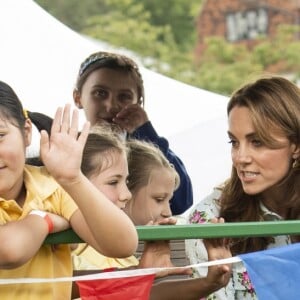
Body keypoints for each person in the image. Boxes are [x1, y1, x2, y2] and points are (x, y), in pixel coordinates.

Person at [0, 81, 138, 300]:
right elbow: (9, 250)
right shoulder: (51, 202)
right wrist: (44, 220)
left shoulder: (52, 186)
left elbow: (123, 244)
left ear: (26, 132)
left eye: (0, 136)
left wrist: (72, 179)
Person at [71, 129, 231, 299]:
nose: (126, 194)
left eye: (125, 182)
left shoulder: (124, 259)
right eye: (113, 182)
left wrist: (209, 283)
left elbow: (143, 295)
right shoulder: (72, 251)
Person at [185, 76, 300, 299]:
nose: (240, 157)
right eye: (234, 142)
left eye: (257, 142)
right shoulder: (210, 218)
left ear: (296, 146)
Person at [72, 51, 193, 215]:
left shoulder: (150, 152)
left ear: (139, 102)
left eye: (124, 97)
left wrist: (146, 133)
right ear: (78, 97)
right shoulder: (66, 149)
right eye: (100, 93)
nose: (111, 105)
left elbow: (182, 203)